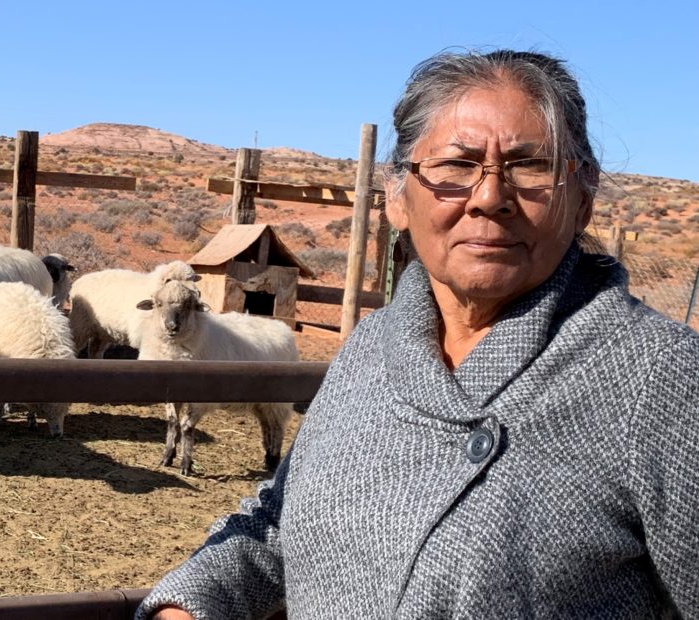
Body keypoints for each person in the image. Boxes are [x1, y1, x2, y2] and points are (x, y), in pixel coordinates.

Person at [137, 49, 699, 619]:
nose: (489, 197)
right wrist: (187, 607)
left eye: (531, 166)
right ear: (399, 198)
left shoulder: (662, 379)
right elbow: (279, 522)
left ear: (582, 198)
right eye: (457, 165)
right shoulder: (374, 347)